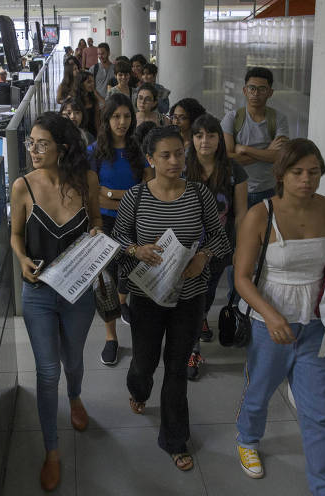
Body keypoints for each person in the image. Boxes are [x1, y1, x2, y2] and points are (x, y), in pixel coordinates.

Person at [233, 138, 325, 495]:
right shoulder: (260, 214)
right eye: (297, 172)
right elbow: (242, 278)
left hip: (316, 325)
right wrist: (272, 316)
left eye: (314, 172)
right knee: (260, 391)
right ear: (281, 174)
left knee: (318, 411)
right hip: (269, 324)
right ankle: (247, 439)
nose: (306, 180)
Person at [111, 125, 230, 472]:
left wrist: (203, 256)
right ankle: (138, 388)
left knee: (176, 368)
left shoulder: (199, 195)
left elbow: (222, 240)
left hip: (188, 297)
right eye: (166, 155)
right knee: (145, 363)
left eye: (180, 153)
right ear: (150, 159)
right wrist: (136, 249)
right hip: (147, 297)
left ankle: (175, 440)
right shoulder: (136, 197)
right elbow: (116, 242)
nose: (175, 160)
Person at [10, 112, 101, 491]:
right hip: (40, 294)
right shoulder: (22, 187)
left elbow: (96, 223)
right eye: (31, 142)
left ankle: (76, 397)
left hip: (79, 292)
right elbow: (15, 234)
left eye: (42, 143)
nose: (33, 149)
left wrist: (96, 240)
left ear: (63, 148)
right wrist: (22, 259)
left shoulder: (87, 181)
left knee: (73, 360)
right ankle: (52, 451)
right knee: (47, 372)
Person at [86, 93, 152, 365]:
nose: (122, 122)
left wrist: (111, 193)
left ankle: (129, 315)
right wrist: (123, 195)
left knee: (132, 277)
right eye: (116, 116)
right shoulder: (94, 152)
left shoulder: (138, 150)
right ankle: (111, 337)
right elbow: (90, 195)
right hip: (104, 223)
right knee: (107, 283)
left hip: (136, 223)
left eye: (126, 116)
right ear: (107, 119)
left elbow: (148, 190)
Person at [184, 113, 248, 379]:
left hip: (220, 246)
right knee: (189, 295)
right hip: (185, 246)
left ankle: (196, 330)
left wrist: (243, 247)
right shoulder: (183, 168)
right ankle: (191, 346)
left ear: (220, 139)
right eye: (199, 135)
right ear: (192, 139)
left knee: (207, 293)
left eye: (211, 135)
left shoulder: (234, 171)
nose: (205, 141)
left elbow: (242, 213)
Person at [222, 67, 290, 208]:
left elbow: (280, 156)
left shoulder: (279, 119)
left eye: (262, 89)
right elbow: (227, 159)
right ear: (244, 90)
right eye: (251, 88)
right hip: (237, 189)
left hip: (269, 191)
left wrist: (244, 149)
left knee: (266, 230)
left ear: (270, 93)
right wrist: (268, 151)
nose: (255, 93)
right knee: (237, 229)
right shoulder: (232, 119)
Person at [74, 71, 103, 138]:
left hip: (92, 132)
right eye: (89, 82)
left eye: (93, 81)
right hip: (79, 133)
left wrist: (99, 134)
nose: (92, 84)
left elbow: (97, 119)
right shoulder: (74, 99)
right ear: (81, 84)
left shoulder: (93, 99)